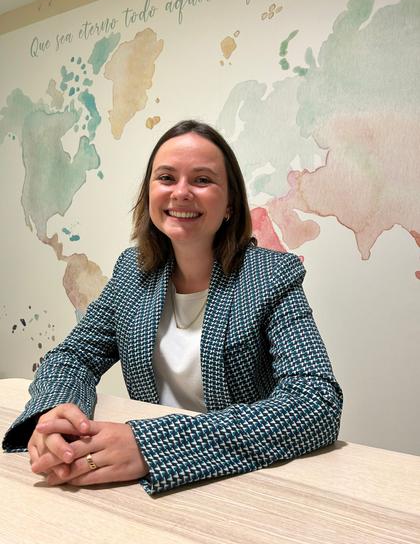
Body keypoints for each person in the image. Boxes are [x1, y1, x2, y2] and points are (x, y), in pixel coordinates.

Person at [2, 120, 343, 495]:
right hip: (145, 489)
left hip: (243, 480)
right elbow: (74, 357)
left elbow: (316, 403)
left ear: (230, 203)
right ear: (150, 194)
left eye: (202, 180)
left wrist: (152, 445)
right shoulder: (132, 272)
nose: (181, 192)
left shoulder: (271, 276)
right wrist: (58, 415)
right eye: (166, 177)